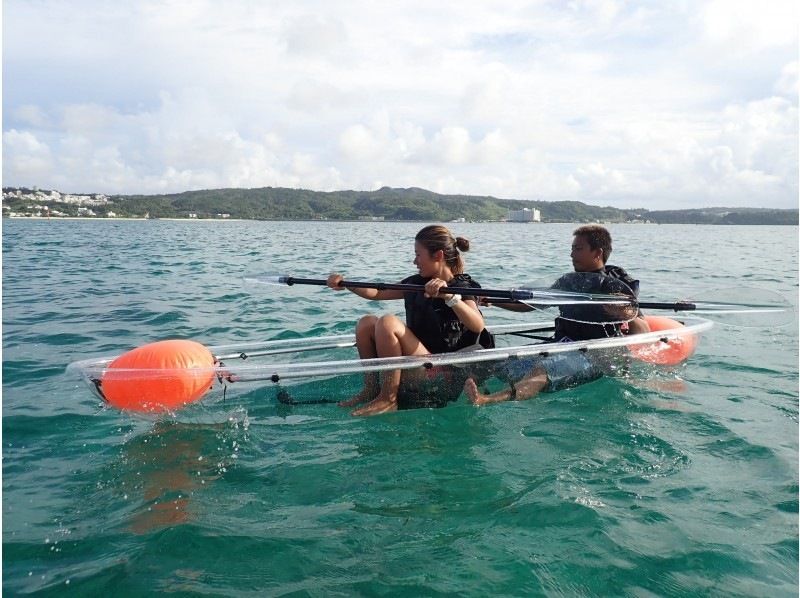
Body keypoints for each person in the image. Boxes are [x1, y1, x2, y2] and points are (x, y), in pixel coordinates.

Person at [464, 224, 649, 406]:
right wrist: (494, 300)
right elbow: (532, 304)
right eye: (572, 249)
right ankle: (480, 387)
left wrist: (623, 311)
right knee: (500, 362)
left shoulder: (614, 286)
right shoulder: (568, 282)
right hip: (561, 346)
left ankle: (487, 400)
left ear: (597, 253)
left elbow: (643, 330)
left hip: (596, 355)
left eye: (578, 249)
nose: (572, 255)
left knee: (542, 370)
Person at [327, 225, 493, 416]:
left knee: (388, 322)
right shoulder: (416, 283)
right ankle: (371, 389)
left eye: (418, 255)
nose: (415, 261)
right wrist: (346, 283)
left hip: (446, 373)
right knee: (366, 323)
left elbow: (478, 324)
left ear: (438, 256)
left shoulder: (463, 286)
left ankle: (388, 399)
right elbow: (377, 293)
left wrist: (450, 298)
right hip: (420, 363)